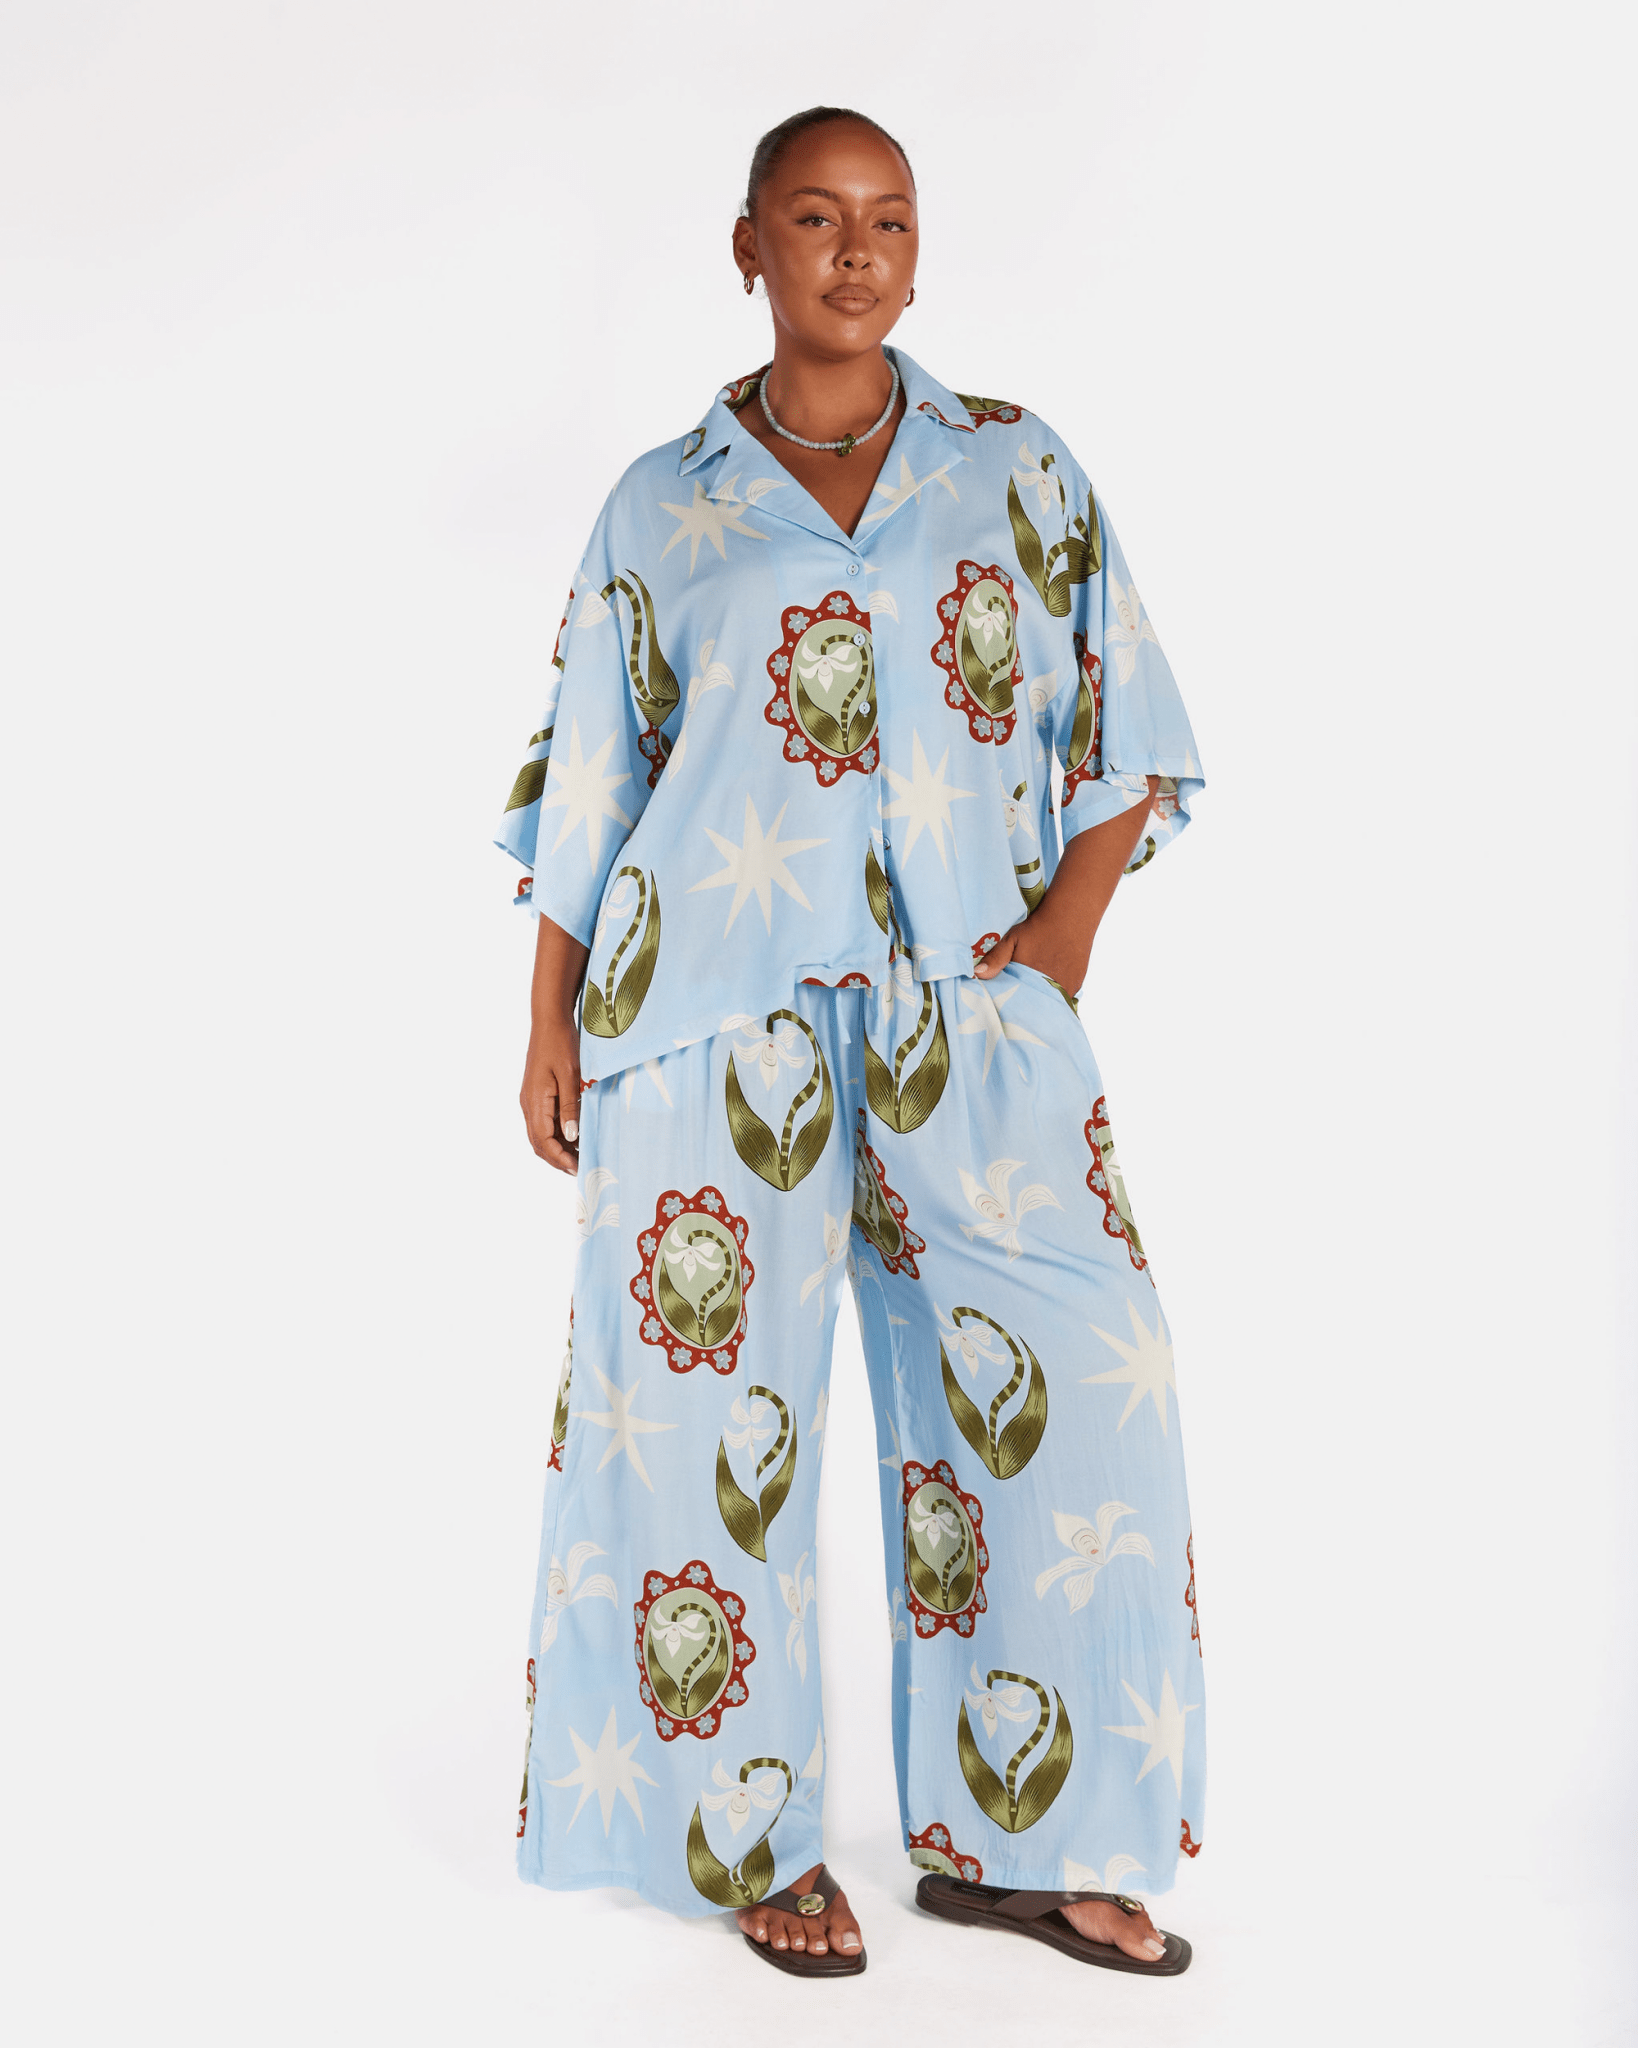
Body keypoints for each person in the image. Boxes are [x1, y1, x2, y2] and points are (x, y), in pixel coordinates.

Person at [497, 105, 1206, 1980]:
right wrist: (547, 1015)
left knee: (1081, 1392)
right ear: (749, 246)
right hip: (704, 1019)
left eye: (886, 218)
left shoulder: (1012, 463)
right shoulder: (660, 504)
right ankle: (744, 1840)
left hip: (969, 1012)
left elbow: (1125, 723)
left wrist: (1055, 951)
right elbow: (593, 780)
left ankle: (1025, 1840)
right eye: (813, 217)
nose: (854, 249)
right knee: (703, 1435)